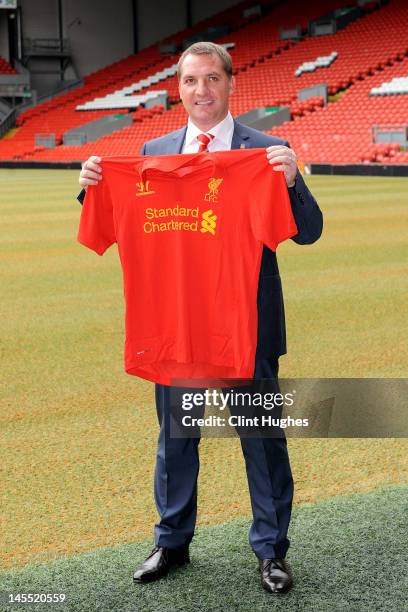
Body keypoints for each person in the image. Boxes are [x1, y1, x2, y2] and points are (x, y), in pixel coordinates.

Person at [77, 42, 323, 595]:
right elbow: (124, 217)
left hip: (247, 329)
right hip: (177, 325)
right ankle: (172, 542)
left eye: (212, 79)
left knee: (262, 440)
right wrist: (92, 188)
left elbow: (308, 231)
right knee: (177, 437)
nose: (202, 91)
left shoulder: (267, 151)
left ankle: (271, 552)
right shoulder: (152, 152)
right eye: (191, 81)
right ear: (179, 89)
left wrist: (291, 182)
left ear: (230, 84)